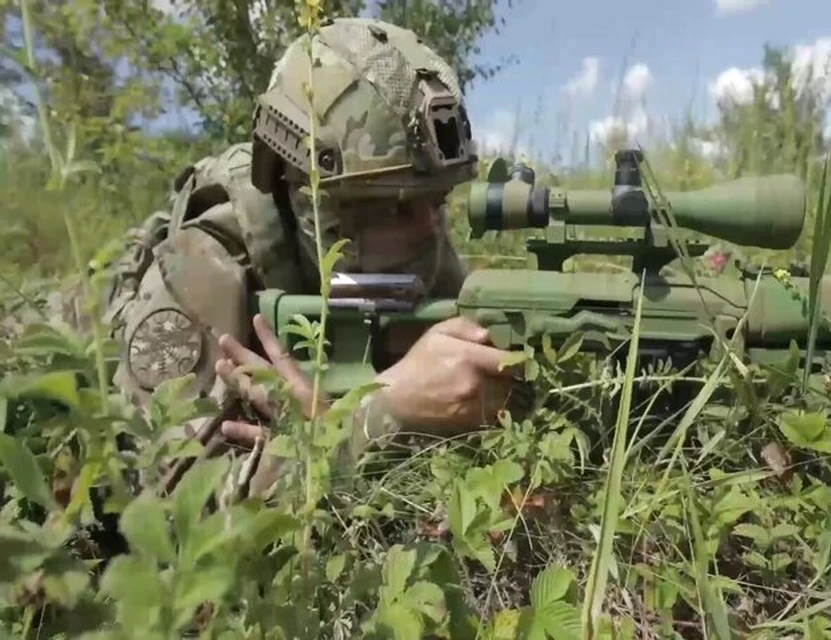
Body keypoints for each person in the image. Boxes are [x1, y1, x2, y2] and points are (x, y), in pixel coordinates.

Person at [98, 17, 530, 500]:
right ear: (313, 204)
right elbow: (162, 508)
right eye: (395, 205)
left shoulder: (420, 242)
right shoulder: (205, 268)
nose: (429, 230)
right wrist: (371, 420)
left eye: (439, 200)